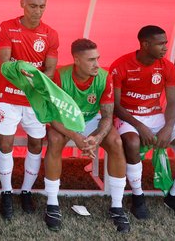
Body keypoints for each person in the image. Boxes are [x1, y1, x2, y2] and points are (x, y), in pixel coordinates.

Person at [110, 26, 175, 222]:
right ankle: (138, 196)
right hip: (129, 116)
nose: (165, 47)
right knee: (131, 142)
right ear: (145, 44)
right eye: (160, 43)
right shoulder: (121, 65)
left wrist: (168, 128)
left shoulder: (167, 67)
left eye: (166, 43)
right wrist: (139, 126)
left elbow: (172, 103)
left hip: (156, 116)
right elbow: (116, 105)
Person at [44, 39, 130, 232]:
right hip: (65, 121)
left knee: (116, 141)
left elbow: (108, 116)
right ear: (76, 60)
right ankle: (52, 204)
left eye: (98, 58)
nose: (97, 64)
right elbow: (52, 117)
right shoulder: (59, 76)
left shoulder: (104, 77)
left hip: (92, 119)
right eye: (91, 60)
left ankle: (117, 206)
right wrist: (75, 137)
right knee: (55, 139)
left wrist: (97, 138)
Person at [0, 0, 58, 219]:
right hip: (9, 95)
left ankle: (26, 191)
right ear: (22, 4)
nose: (37, 11)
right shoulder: (6, 27)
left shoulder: (51, 34)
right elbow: (5, 65)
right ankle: (6, 192)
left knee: (35, 144)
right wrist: (31, 74)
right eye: (33, 6)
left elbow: (50, 70)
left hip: (35, 99)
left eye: (42, 6)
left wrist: (36, 79)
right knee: (6, 143)